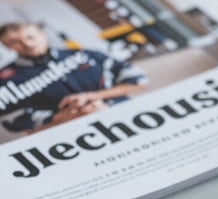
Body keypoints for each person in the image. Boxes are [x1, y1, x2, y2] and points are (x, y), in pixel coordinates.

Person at [0, 21, 148, 134]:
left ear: (42, 35)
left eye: (30, 37)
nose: (27, 44)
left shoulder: (85, 55)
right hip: (69, 136)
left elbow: (138, 80)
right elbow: (13, 122)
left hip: (127, 116)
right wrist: (63, 118)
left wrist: (93, 97)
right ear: (7, 46)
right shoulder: (6, 80)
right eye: (14, 42)